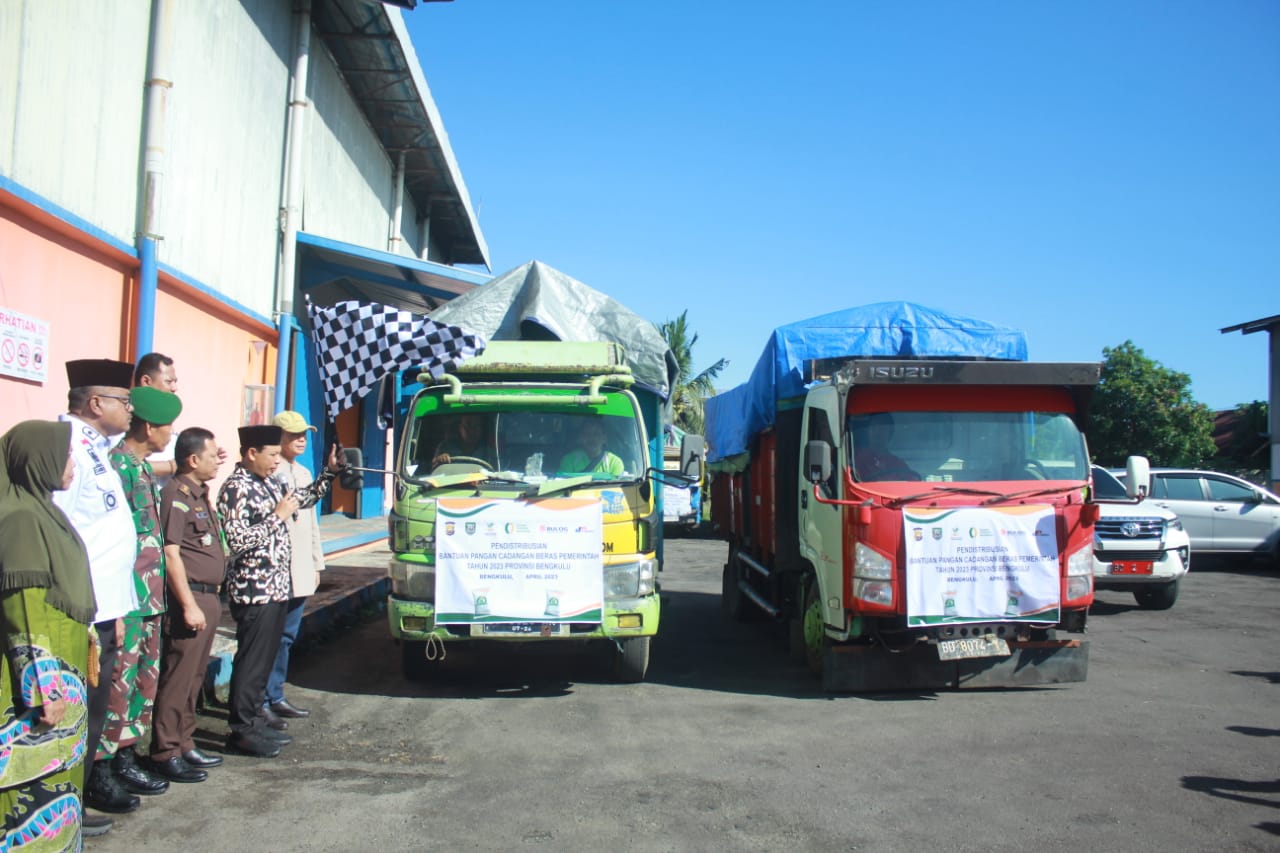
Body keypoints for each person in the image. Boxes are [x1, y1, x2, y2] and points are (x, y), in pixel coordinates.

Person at [52, 359, 143, 823]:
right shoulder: (67, 446)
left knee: (93, 709)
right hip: (81, 610)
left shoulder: (97, 447)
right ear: (94, 403)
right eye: (124, 401)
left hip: (104, 606)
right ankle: (66, 805)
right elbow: (61, 529)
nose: (131, 410)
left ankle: (78, 797)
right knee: (77, 711)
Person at [0, 421, 99, 844]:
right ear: (38, 461)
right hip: (42, 687)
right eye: (64, 455)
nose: (72, 464)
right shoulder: (22, 519)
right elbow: (25, 611)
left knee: (60, 778)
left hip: (62, 668)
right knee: (35, 790)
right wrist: (45, 690)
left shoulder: (42, 510)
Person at [216, 426, 342, 758]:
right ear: (251, 453)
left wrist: (329, 473)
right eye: (271, 455)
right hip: (254, 590)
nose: (276, 461)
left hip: (277, 587)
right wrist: (277, 517)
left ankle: (257, 718)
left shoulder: (270, 482)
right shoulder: (236, 488)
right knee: (251, 661)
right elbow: (237, 541)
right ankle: (241, 728)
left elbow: (304, 499)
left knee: (264, 660)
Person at [101, 386, 182, 800]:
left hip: (148, 598)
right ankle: (101, 770)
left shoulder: (143, 467)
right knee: (118, 685)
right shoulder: (117, 466)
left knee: (141, 685)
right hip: (126, 600)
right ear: (149, 427)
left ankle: (126, 757)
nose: (171, 434)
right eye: (168, 426)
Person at [146, 427, 226, 783]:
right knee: (178, 677)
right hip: (190, 598)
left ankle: (185, 741)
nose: (217, 462)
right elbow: (170, 552)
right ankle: (165, 751)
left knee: (194, 677)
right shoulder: (175, 496)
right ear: (193, 460)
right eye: (211, 456)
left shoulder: (199, 494)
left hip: (209, 596)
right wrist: (189, 604)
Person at [261, 411, 334, 725]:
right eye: (294, 435)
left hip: (300, 565)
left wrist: (317, 561)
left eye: (304, 434)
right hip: (275, 568)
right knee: (268, 637)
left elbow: (311, 521)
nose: (301, 440)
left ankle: (275, 694)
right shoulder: (268, 472)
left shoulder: (303, 473)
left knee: (287, 636)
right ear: (278, 437)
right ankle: (260, 698)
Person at [851, 412, 918, 481]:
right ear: (868, 431)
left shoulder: (898, 464)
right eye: (874, 427)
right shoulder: (856, 456)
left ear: (890, 433)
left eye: (882, 428)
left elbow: (912, 482)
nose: (877, 432)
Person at [557, 419, 624, 476]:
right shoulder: (569, 460)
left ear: (604, 438)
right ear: (581, 438)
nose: (592, 438)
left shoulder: (615, 462)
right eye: (587, 434)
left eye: (596, 434)